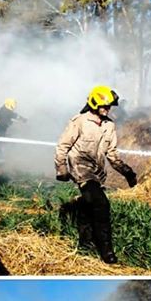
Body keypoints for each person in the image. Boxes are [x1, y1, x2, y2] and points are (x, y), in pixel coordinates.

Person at [55, 86, 137, 264]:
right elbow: (63, 145)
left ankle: (85, 242)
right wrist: (61, 168)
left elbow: (112, 154)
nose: (108, 109)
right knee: (101, 204)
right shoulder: (80, 121)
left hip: (97, 172)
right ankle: (107, 251)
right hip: (80, 167)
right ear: (94, 103)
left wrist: (127, 172)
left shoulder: (109, 126)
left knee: (89, 204)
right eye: (104, 106)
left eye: (109, 106)